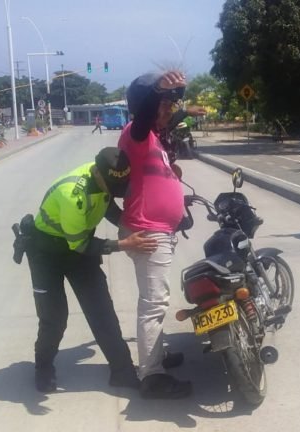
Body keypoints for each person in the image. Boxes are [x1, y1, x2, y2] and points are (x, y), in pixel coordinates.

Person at [20, 147, 159, 393]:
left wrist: (137, 224)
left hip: (78, 247)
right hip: (47, 253)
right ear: (99, 176)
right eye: (114, 188)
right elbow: (80, 244)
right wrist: (124, 243)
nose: (116, 192)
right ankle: (43, 367)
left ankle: (122, 371)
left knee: (101, 309)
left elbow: (108, 208)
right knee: (54, 318)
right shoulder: (73, 195)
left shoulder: (106, 175)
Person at [118, 70, 193, 399]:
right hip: (148, 231)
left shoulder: (155, 139)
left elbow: (170, 114)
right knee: (154, 304)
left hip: (159, 230)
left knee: (157, 301)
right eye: (162, 104)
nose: (167, 110)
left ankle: (157, 357)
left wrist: (181, 102)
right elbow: (147, 113)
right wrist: (156, 90)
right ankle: (151, 376)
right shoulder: (136, 134)